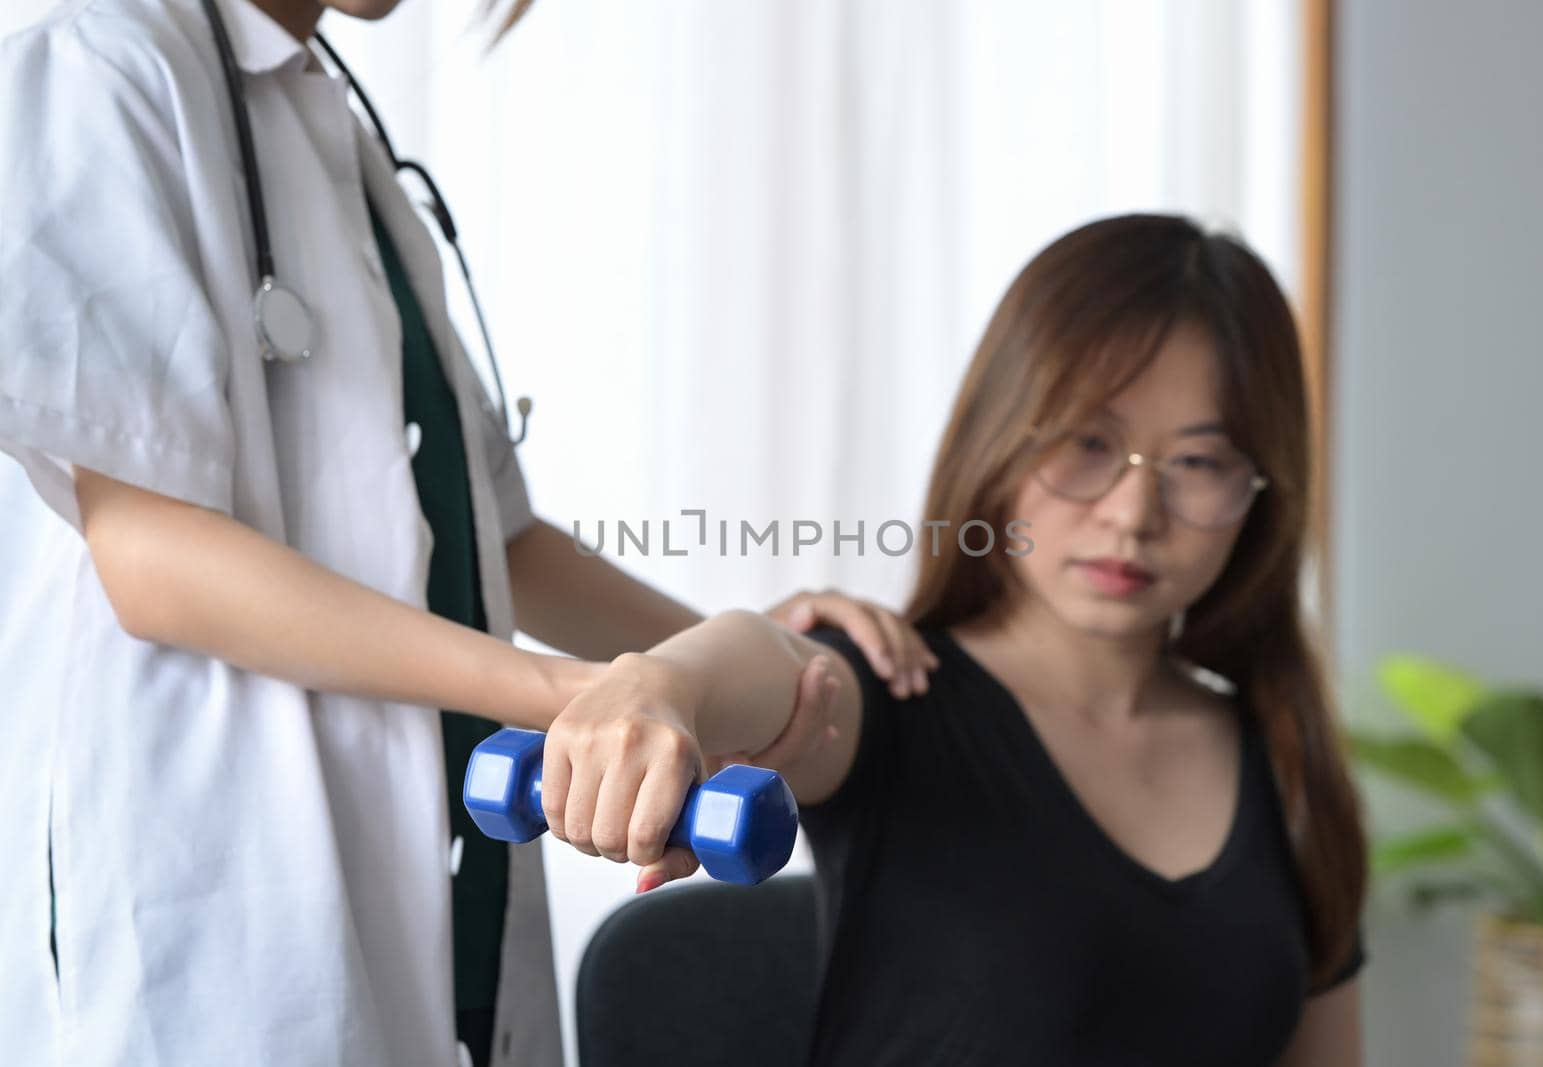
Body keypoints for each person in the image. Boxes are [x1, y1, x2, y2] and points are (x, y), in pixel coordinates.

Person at [0, 1, 937, 1064]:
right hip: (208, 892)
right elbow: (155, 557)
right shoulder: (94, 68)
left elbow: (497, 535)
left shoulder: (331, 122)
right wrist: (585, 696)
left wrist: (751, 649)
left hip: (416, 878)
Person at [534, 215, 1370, 1065]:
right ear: (1001, 437)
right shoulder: (898, 691)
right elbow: (769, 658)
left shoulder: (1289, 760)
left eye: (1197, 463)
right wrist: (660, 687)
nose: (1131, 514)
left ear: (1262, 489)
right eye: (1087, 442)